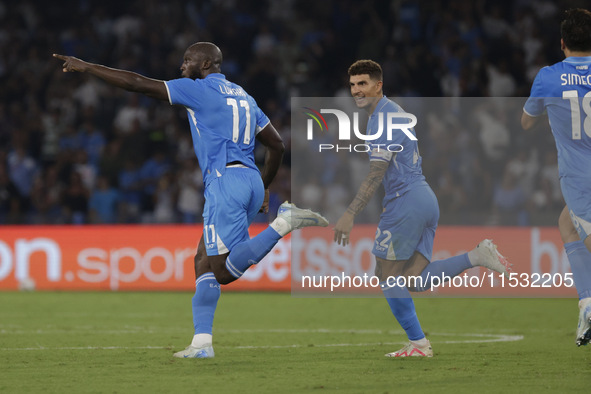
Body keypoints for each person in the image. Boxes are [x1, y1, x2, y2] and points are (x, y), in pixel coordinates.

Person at [53, 42, 328, 358]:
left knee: (223, 271)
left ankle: (284, 223)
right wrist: (264, 186)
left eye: (188, 60)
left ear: (208, 63)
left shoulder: (199, 90)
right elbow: (277, 145)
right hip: (250, 179)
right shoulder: (244, 96)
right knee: (202, 260)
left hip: (225, 182)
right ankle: (201, 344)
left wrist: (86, 66)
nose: (182, 66)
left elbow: (137, 83)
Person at [333, 60, 510, 358]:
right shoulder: (391, 112)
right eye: (352, 85)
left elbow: (377, 172)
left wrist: (350, 212)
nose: (356, 91)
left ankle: (419, 344)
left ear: (379, 85)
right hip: (424, 197)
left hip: (405, 201)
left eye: (362, 84)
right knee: (412, 280)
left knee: (386, 273)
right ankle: (475, 255)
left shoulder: (383, 118)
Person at [522, 8, 591, 347]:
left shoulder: (548, 77)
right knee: (566, 225)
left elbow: (526, 121)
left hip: (581, 178)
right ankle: (587, 303)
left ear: (562, 43)